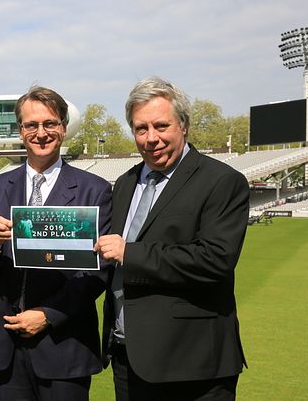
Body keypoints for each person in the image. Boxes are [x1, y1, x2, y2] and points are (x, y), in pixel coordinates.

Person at [95, 77, 249, 400]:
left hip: (191, 365)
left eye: (161, 126)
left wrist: (130, 254)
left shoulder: (221, 182)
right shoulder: (124, 184)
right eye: (141, 128)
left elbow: (214, 259)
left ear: (184, 126)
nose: (151, 138)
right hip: (128, 358)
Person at [0, 86, 112, 400]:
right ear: (20, 130)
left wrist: (47, 314)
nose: (41, 132)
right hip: (5, 343)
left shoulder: (94, 191)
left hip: (65, 341)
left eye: (50, 123)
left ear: (63, 128)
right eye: (31, 125)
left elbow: (100, 272)